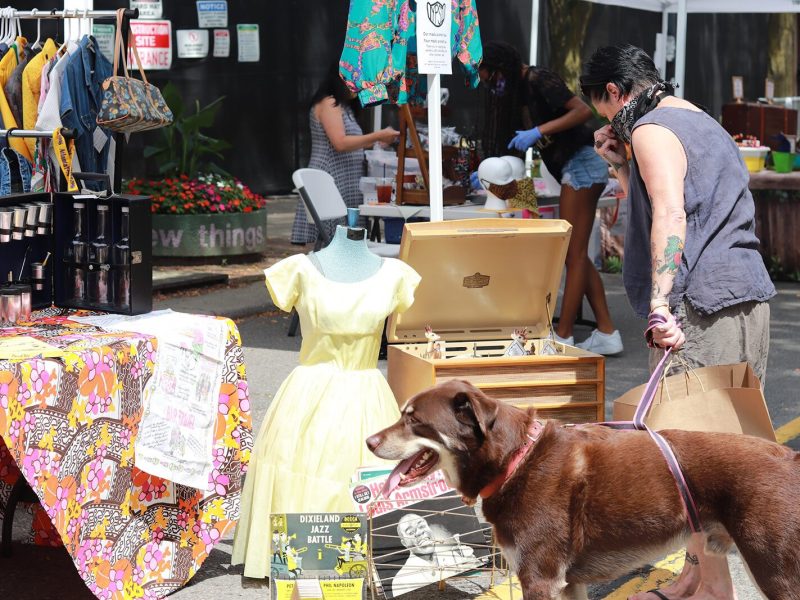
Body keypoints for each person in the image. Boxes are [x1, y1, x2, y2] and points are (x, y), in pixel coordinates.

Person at [580, 44, 776, 600]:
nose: (603, 118)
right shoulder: (698, 119)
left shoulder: (651, 130)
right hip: (746, 294)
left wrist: (662, 302)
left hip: (700, 301)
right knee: (722, 446)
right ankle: (695, 578)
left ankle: (713, 591)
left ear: (614, 92)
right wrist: (619, 163)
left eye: (600, 105)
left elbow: (670, 210)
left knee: (694, 458)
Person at [478, 41, 622, 355]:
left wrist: (539, 130)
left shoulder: (538, 79)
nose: (493, 85)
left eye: (493, 78)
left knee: (571, 254)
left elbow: (583, 111)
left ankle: (564, 336)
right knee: (578, 254)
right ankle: (607, 332)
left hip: (583, 163)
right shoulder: (516, 92)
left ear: (503, 68)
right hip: (572, 168)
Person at [290, 62, 399, 244]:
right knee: (332, 236)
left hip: (346, 179)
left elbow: (350, 143)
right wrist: (377, 135)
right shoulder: (329, 103)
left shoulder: (344, 107)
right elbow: (340, 143)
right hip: (332, 176)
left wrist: (375, 142)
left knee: (347, 236)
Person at [391, 513, 480, 598]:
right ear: (404, 543)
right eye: (410, 532)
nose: (419, 533)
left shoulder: (452, 556)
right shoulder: (402, 580)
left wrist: (473, 565)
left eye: (422, 526)